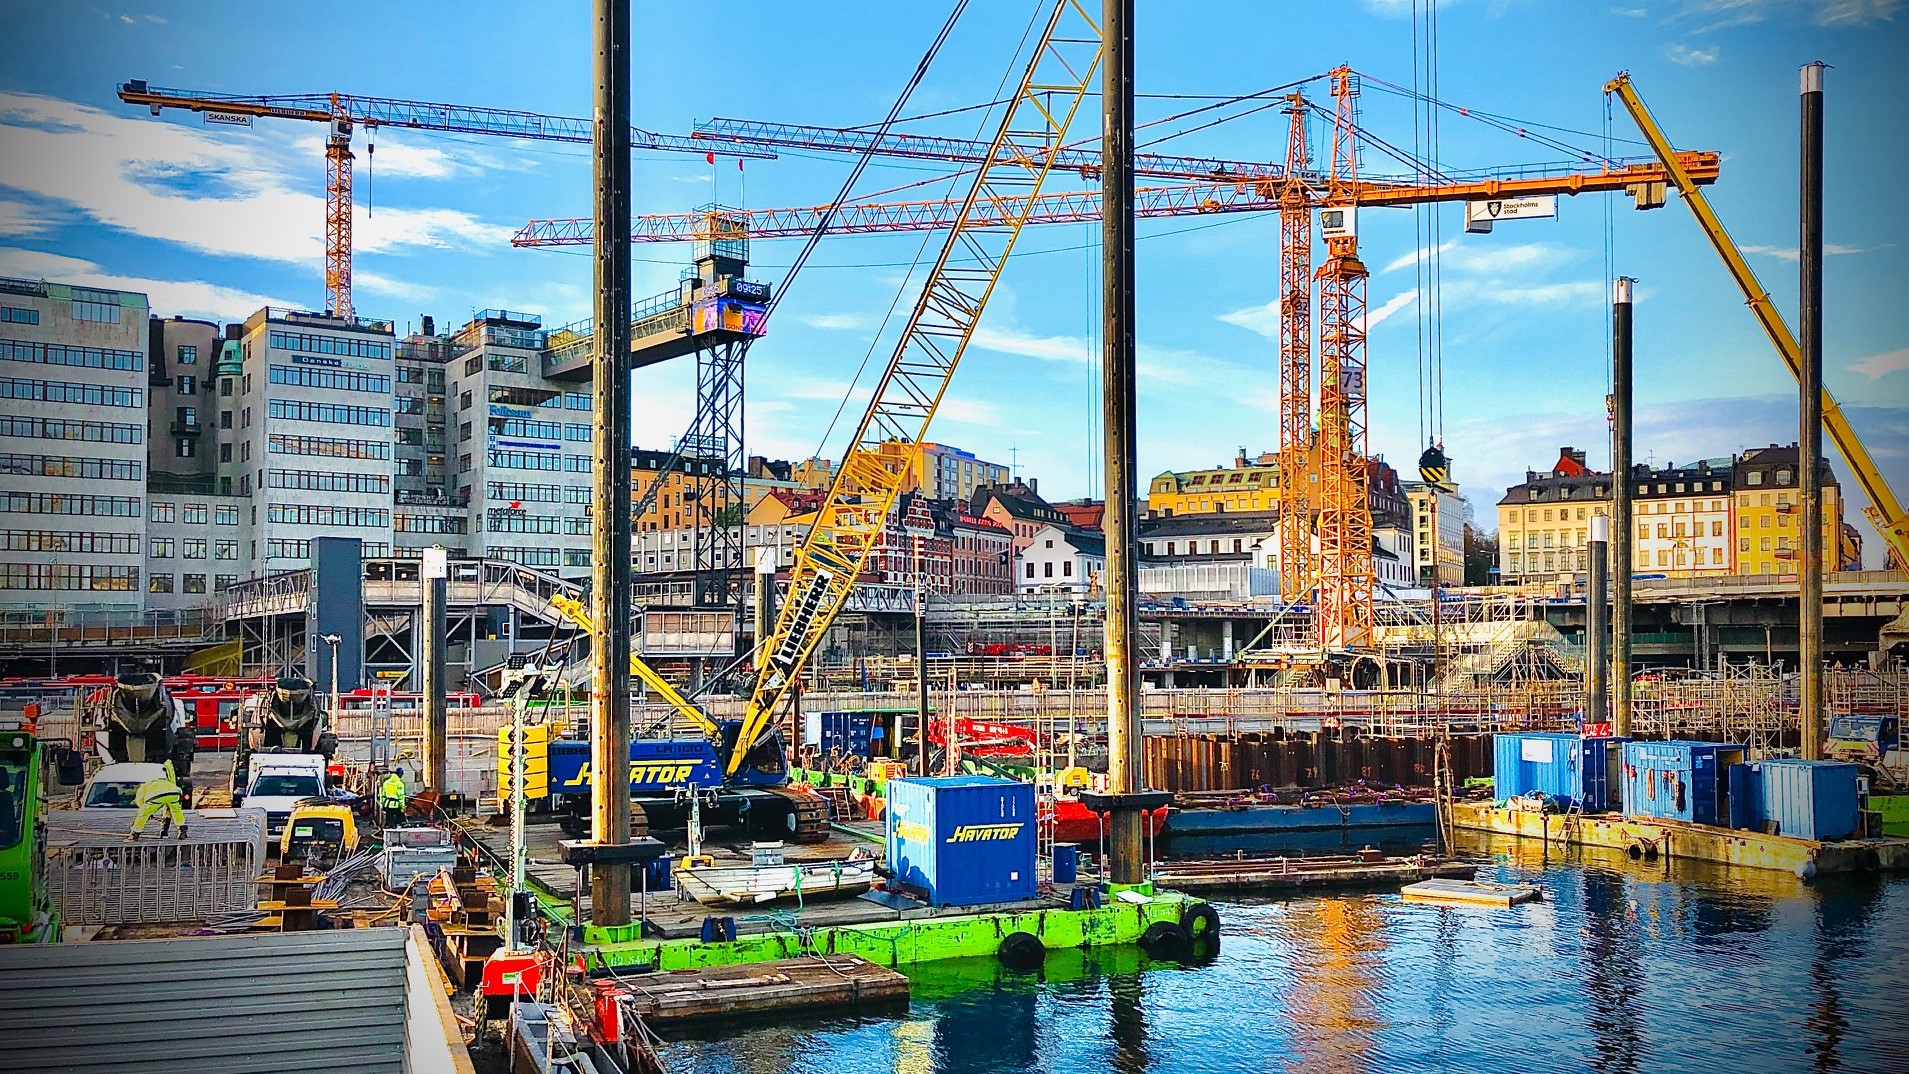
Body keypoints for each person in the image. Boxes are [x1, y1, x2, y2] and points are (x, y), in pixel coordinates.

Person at [131, 761, 186, 841]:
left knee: (143, 814)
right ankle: (182, 829)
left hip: (157, 795)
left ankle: (135, 833)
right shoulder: (165, 781)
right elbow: (176, 791)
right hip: (175, 793)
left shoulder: (146, 785)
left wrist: (148, 812)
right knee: (176, 811)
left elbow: (139, 800)